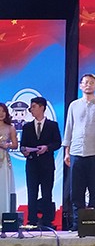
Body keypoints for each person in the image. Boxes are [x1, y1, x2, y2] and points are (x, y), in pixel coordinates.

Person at [63, 73, 95, 231]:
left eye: (91, 82)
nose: (88, 85)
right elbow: (69, 128)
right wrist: (67, 151)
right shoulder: (74, 105)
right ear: (80, 85)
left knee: (94, 189)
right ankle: (77, 223)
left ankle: (93, 222)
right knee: (76, 190)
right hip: (76, 151)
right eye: (85, 82)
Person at [19, 97, 61, 229]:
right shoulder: (27, 127)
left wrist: (47, 148)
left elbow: (57, 143)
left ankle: (47, 220)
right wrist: (24, 151)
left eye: (33, 107)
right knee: (32, 192)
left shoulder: (52, 125)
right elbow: (22, 145)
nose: (31, 109)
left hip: (47, 164)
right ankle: (32, 220)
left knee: (47, 192)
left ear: (42, 107)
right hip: (32, 164)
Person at [0, 103, 19, 216]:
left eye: (3, 111)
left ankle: (4, 215)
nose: (1, 114)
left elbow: (15, 145)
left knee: (4, 186)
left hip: (4, 161)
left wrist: (7, 145)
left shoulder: (10, 128)